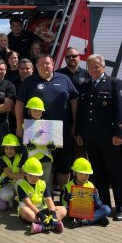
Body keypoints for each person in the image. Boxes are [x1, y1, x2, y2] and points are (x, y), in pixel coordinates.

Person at [74, 54, 122, 221]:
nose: (93, 69)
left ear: (104, 67)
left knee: (116, 172)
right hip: (90, 137)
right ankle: (104, 206)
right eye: (90, 66)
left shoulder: (115, 84)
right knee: (98, 173)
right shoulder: (84, 86)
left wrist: (119, 133)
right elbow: (81, 113)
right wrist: (78, 132)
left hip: (110, 138)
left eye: (97, 66)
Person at [15, 53, 79, 195]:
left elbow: (74, 101)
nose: (45, 66)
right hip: (37, 132)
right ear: (36, 66)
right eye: (42, 63)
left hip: (61, 131)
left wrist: (75, 124)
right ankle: (42, 197)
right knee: (42, 164)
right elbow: (19, 103)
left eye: (48, 63)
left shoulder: (64, 79)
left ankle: (64, 196)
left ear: (53, 64)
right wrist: (19, 126)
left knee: (63, 163)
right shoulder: (30, 81)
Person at [18, 157, 67, 234]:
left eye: (36, 176)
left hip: (43, 210)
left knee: (63, 210)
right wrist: (42, 216)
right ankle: (53, 224)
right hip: (31, 211)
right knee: (25, 211)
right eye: (31, 175)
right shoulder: (21, 185)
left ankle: (42, 227)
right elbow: (29, 204)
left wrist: (53, 215)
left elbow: (49, 200)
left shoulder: (43, 183)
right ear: (25, 173)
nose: (34, 178)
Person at [62, 157, 111, 228]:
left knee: (107, 209)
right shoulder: (68, 186)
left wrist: (97, 201)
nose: (84, 177)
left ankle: (82, 222)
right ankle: (97, 219)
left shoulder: (91, 185)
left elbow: (100, 206)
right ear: (74, 173)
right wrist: (67, 199)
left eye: (87, 174)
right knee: (68, 210)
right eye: (81, 174)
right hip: (75, 211)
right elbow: (63, 205)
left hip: (89, 211)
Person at [21, 97, 55, 187]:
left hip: (47, 157)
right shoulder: (25, 125)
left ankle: (47, 199)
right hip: (33, 157)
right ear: (29, 111)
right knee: (32, 182)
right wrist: (29, 144)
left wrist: (52, 145)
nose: (37, 113)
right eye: (35, 110)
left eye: (39, 111)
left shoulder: (48, 125)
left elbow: (54, 140)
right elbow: (25, 141)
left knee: (46, 181)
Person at [0, 134, 25, 207]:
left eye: (11, 148)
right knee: (4, 196)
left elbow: (22, 174)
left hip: (18, 182)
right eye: (6, 148)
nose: (9, 151)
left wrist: (22, 176)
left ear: (16, 148)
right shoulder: (1, 159)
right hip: (7, 183)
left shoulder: (21, 157)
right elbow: (11, 175)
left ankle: (22, 202)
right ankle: (11, 199)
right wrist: (25, 177)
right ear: (3, 149)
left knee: (21, 182)